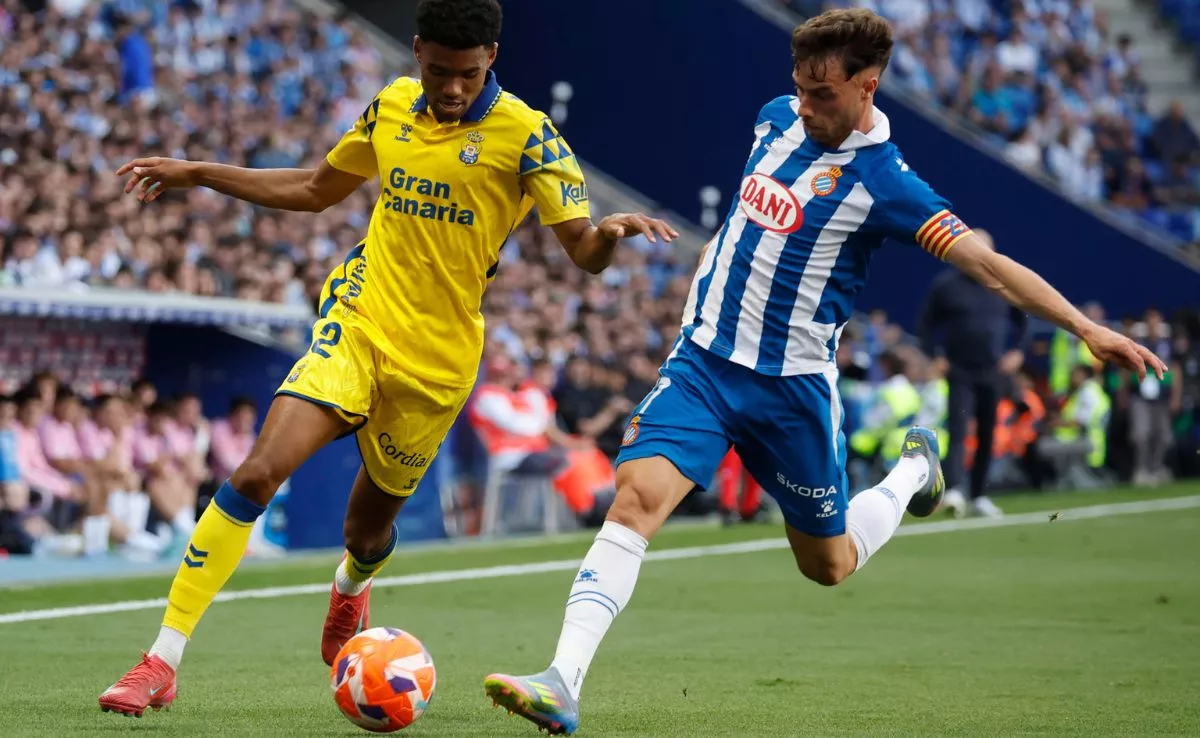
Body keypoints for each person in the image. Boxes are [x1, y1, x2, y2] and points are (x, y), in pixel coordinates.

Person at [482, 9, 1167, 735]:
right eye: (800, 87)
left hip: (792, 391)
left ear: (867, 87)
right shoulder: (774, 118)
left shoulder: (887, 184)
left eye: (823, 94)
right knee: (635, 502)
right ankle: (562, 681)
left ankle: (912, 473)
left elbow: (989, 268)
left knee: (828, 564)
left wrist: (1085, 328)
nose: (805, 105)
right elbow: (750, 222)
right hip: (705, 363)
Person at [97, 0, 676, 718]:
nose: (452, 88)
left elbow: (582, 250)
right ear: (417, 51)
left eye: (467, 74)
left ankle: (351, 584)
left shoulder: (529, 136)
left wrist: (608, 236)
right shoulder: (392, 105)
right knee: (257, 472)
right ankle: (162, 659)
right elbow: (317, 190)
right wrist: (201, 173)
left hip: (437, 364)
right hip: (360, 322)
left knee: (366, 533)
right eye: (438, 71)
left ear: (492, 59)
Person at [917, 228, 1028, 518]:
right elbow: (925, 326)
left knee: (988, 433)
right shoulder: (946, 285)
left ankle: (979, 495)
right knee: (958, 430)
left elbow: (1024, 320)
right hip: (960, 370)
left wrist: (1017, 351)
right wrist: (935, 356)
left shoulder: (1000, 283)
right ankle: (954, 490)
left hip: (992, 370)